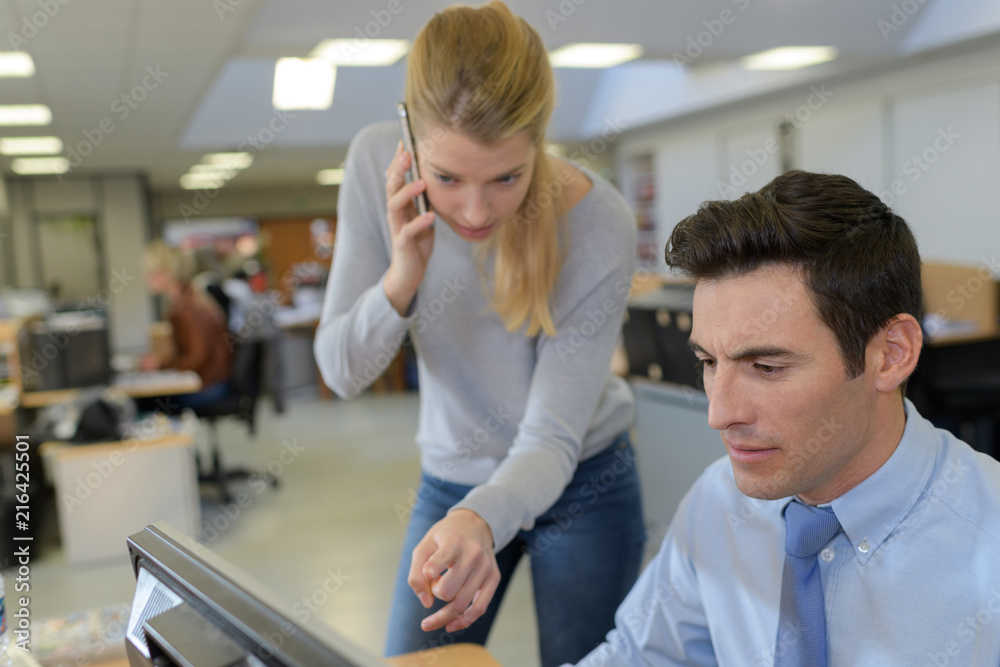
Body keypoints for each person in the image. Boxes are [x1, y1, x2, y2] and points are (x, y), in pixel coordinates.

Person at [312, 3, 644, 664]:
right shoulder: (373, 161)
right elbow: (342, 371)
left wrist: (481, 518)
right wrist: (401, 279)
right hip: (453, 474)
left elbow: (550, 437)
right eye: (447, 177)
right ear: (409, 134)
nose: (473, 210)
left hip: (583, 476)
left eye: (506, 179)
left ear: (538, 140)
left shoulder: (598, 222)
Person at [567, 170, 1000, 666]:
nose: (720, 414)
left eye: (767, 367)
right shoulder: (718, 502)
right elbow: (641, 656)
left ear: (891, 354)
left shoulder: (989, 549)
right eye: (709, 363)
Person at [139, 240, 234, 412]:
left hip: (211, 385)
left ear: (168, 274)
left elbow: (198, 357)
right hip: (215, 380)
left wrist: (160, 365)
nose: (146, 278)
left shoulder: (188, 309)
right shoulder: (191, 298)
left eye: (152, 273)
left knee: (144, 403)